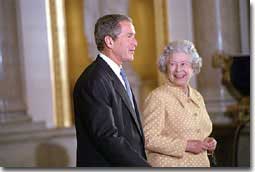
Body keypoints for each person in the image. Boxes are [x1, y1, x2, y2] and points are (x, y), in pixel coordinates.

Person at [73, 14, 150, 167]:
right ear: (109, 41)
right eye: (129, 36)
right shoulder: (94, 80)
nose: (135, 42)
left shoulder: (115, 74)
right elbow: (107, 137)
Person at [142, 40, 217, 167]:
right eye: (172, 64)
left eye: (183, 64)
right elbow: (148, 138)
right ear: (165, 67)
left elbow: (199, 132)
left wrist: (207, 142)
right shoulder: (158, 97)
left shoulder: (197, 96)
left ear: (193, 67)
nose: (178, 69)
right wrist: (186, 145)